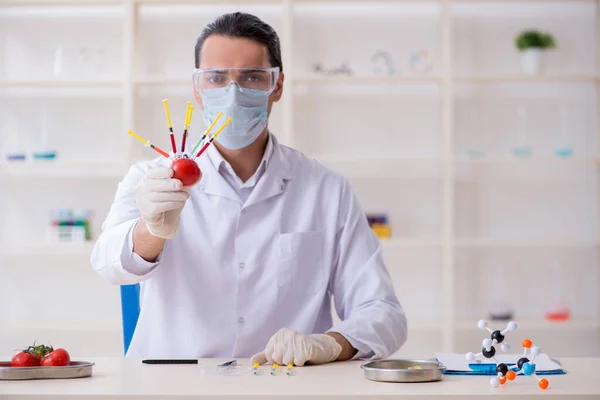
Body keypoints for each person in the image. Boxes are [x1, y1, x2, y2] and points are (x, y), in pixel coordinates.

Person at [91, 11, 407, 366]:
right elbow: (107, 265)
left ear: (278, 85)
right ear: (197, 88)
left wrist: (330, 344)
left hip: (287, 381)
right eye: (216, 78)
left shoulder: (325, 189)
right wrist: (151, 230)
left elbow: (383, 313)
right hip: (174, 381)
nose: (233, 94)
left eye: (253, 78)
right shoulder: (151, 179)